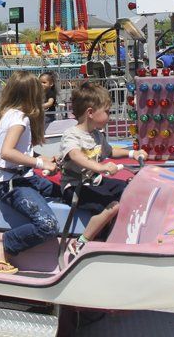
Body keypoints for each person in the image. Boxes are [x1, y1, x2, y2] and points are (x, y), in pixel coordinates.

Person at [0, 71, 59, 274]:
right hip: (13, 185)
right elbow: (8, 153)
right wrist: (40, 163)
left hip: (23, 179)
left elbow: (19, 151)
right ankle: (4, 241)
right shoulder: (19, 119)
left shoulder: (8, 114)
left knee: (65, 189)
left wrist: (43, 159)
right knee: (48, 225)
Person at [60, 82, 147, 256]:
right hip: (76, 187)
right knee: (113, 205)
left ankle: (118, 232)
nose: (109, 115)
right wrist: (100, 167)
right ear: (90, 113)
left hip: (95, 181)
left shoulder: (97, 135)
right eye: (107, 111)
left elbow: (111, 151)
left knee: (129, 189)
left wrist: (132, 153)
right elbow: (76, 155)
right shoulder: (71, 135)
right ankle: (81, 242)